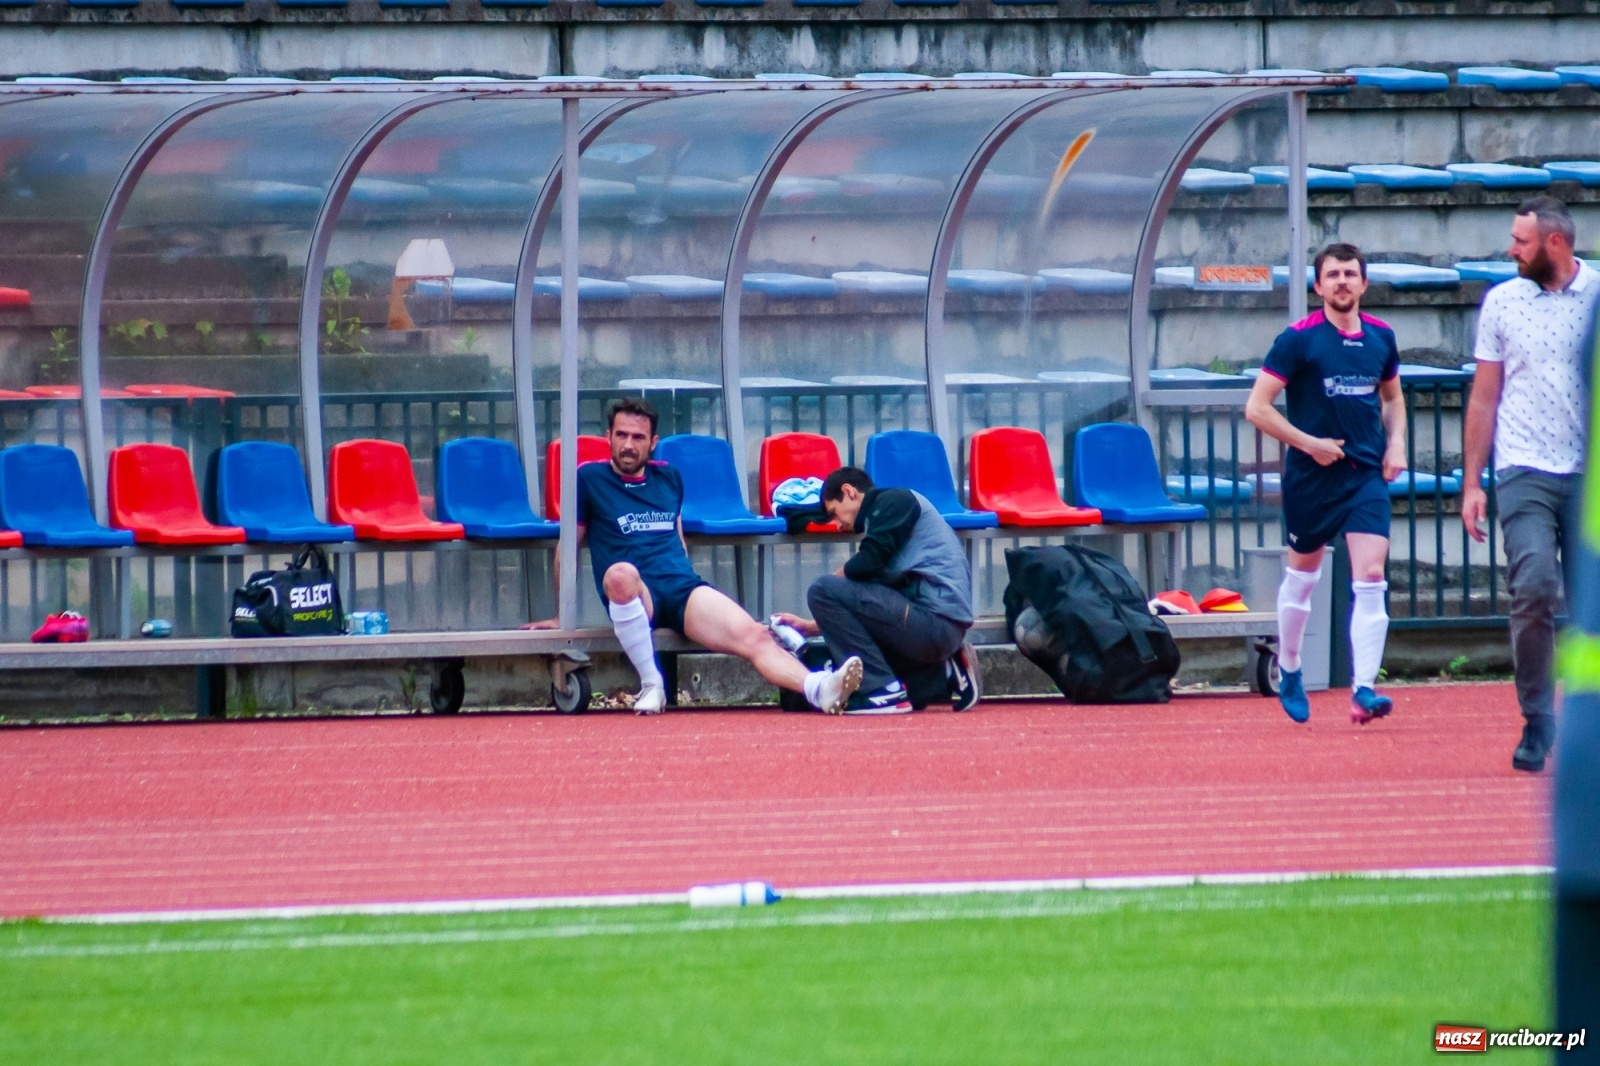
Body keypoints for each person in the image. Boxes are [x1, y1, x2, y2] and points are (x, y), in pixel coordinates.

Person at [531, 399, 862, 715]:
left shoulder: (669, 476)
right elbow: (567, 547)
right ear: (609, 437)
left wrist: (691, 590)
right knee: (620, 574)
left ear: (653, 442)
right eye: (621, 435)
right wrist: (563, 615)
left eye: (638, 437)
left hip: (680, 588)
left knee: (754, 634)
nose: (628, 445)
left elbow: (677, 537)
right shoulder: (589, 478)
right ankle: (652, 684)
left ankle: (820, 688)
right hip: (635, 593)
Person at [1461, 196, 1597, 773]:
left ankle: (1588, 720)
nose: (1511, 249)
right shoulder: (1502, 302)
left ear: (1555, 243)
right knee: (1535, 585)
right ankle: (1537, 718)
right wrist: (1472, 482)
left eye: (1521, 240)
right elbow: (1484, 397)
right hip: (1524, 468)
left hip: (1589, 472)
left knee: (1592, 603)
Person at [1245, 242, 1408, 725]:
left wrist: (1397, 443)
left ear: (1364, 283)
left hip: (1364, 475)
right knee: (1303, 577)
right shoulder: (1297, 340)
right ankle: (1291, 665)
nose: (1342, 282)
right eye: (1333, 275)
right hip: (1311, 478)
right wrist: (1308, 443)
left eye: (1350, 274)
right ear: (1318, 286)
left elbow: (1393, 398)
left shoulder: (1382, 337)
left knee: (1371, 575)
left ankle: (1364, 689)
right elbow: (1257, 407)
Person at [772, 466, 980, 714]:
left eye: (834, 513)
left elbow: (867, 563)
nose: (837, 525)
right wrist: (813, 626)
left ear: (849, 492)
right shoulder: (888, 518)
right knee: (875, 671)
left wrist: (833, 582)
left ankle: (880, 690)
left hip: (934, 623)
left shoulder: (895, 500)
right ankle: (944, 673)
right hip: (934, 626)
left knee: (821, 590)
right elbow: (874, 600)